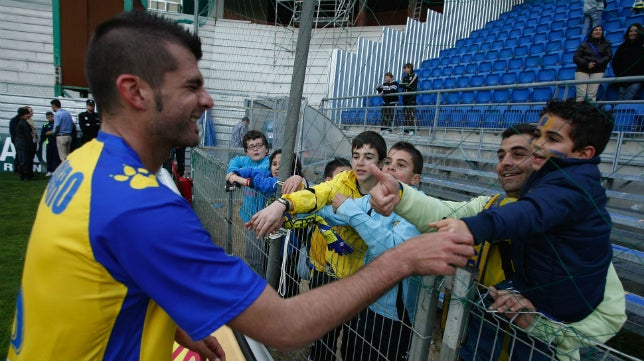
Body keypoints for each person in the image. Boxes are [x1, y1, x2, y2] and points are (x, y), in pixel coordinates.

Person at [7, 11, 475, 361]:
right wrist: (404, 259)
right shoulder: (142, 207)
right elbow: (285, 326)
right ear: (135, 92)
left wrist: (174, 327)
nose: (207, 99)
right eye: (191, 86)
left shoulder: (86, 163)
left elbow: (107, 277)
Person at [369, 120, 625, 361]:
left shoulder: (569, 229)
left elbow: (610, 316)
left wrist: (541, 328)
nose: (506, 163)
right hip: (473, 345)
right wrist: (400, 194)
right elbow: (441, 212)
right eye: (501, 156)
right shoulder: (491, 205)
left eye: (518, 154)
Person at [434, 99, 618, 358]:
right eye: (538, 136)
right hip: (534, 292)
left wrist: (471, 227)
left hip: (556, 308)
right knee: (490, 306)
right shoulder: (553, 179)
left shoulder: (572, 185)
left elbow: (530, 212)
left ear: (584, 154)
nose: (539, 145)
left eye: (552, 139)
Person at [316, 141, 424, 361]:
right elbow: (333, 213)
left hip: (394, 317)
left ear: (415, 179)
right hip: (368, 303)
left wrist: (347, 209)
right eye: (388, 163)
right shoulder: (375, 200)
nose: (391, 168)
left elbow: (391, 250)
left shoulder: (420, 213)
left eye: (401, 165)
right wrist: (295, 203)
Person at [228, 148, 307, 295]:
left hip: (290, 246)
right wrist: (233, 173)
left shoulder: (288, 183)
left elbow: (263, 183)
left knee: (288, 282)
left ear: (294, 167)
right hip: (271, 240)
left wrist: (238, 179)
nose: (278, 167)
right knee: (269, 274)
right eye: (274, 164)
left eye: (283, 164)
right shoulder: (267, 174)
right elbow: (251, 170)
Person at [225, 129, 270, 275]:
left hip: (266, 218)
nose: (256, 148)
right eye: (251, 147)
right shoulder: (245, 160)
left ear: (266, 149)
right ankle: (257, 282)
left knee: (267, 257)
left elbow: (259, 172)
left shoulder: (269, 163)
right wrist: (232, 170)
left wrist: (237, 175)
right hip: (250, 218)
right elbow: (235, 160)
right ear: (246, 151)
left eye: (259, 145)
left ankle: (265, 284)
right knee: (253, 255)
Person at [574, 25, 612, 102]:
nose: (598, 31)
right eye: (596, 30)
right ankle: (578, 112)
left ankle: (589, 112)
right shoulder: (584, 44)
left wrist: (596, 63)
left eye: (600, 30)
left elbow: (608, 56)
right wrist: (587, 63)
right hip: (582, 69)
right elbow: (576, 57)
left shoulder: (606, 44)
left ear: (602, 32)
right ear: (591, 33)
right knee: (580, 94)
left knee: (592, 94)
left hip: (598, 70)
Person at [611, 23, 644, 100]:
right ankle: (617, 111)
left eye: (635, 31)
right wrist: (618, 73)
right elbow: (615, 61)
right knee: (620, 97)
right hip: (623, 77)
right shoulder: (623, 46)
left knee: (628, 96)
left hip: (637, 77)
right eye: (630, 31)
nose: (632, 33)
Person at [13, 107, 35, 180]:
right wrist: (31, 145)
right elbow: (28, 136)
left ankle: (23, 175)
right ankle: (26, 176)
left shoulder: (20, 122)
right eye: (27, 114)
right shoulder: (24, 123)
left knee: (22, 159)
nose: (29, 115)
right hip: (24, 144)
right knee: (25, 160)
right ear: (23, 115)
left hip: (19, 143)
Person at [39, 111, 60, 176]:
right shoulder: (45, 125)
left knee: (56, 157)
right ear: (47, 118)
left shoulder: (57, 123)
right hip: (49, 143)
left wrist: (50, 132)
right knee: (49, 157)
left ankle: (55, 170)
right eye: (48, 117)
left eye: (51, 116)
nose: (50, 118)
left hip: (57, 142)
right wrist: (48, 133)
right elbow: (43, 134)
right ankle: (49, 170)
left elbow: (58, 132)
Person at [399, 64, 418, 134]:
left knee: (411, 113)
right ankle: (406, 130)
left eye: (405, 68)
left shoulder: (415, 75)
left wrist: (405, 85)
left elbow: (411, 85)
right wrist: (405, 85)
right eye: (404, 68)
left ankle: (412, 130)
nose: (404, 70)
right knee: (405, 114)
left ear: (410, 68)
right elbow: (402, 85)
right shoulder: (404, 77)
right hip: (405, 97)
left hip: (411, 97)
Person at [9, 107, 27, 174]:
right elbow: (13, 131)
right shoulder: (18, 121)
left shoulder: (14, 120)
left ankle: (18, 169)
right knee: (20, 155)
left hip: (16, 140)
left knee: (19, 154)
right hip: (18, 140)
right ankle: (19, 169)